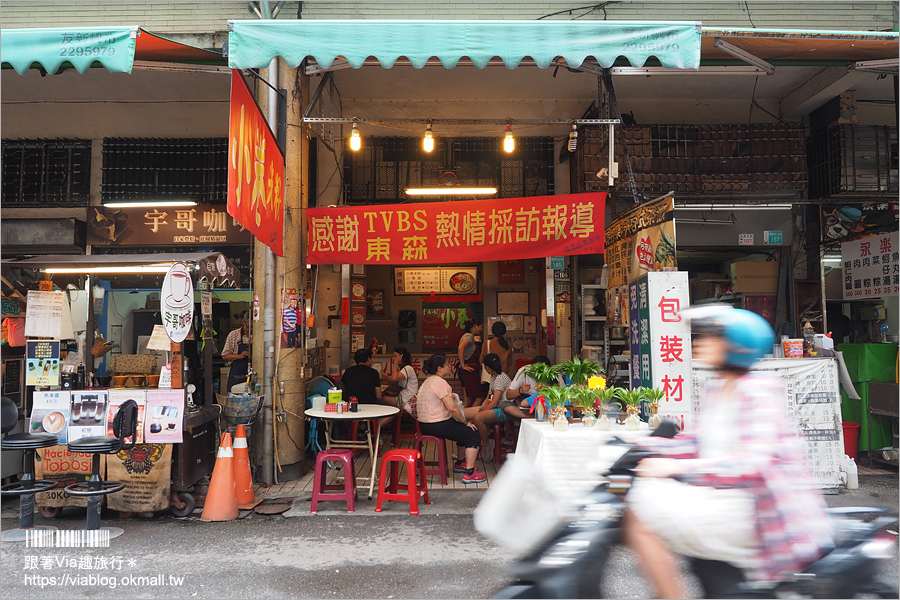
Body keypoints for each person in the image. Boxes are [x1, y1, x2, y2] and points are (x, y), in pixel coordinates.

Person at [623, 307, 834, 598]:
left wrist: (676, 468)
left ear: (737, 346)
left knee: (640, 515)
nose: (698, 343)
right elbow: (694, 444)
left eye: (710, 337)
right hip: (722, 497)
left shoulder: (757, 391)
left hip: (752, 508)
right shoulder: (717, 388)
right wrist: (639, 447)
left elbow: (752, 463)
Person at [416, 354, 486, 484]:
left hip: (424, 424)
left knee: (462, 429)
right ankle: (469, 473)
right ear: (440, 369)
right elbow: (452, 408)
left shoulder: (428, 381)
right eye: (447, 365)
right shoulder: (440, 383)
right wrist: (465, 421)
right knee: (473, 433)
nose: (450, 366)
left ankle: (460, 462)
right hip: (437, 424)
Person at [463, 352, 512, 461]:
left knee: (477, 418)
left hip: (502, 409)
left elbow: (495, 403)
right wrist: (482, 407)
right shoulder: (493, 377)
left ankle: (486, 444)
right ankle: (468, 446)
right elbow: (488, 397)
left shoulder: (500, 378)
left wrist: (482, 411)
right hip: (492, 406)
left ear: (488, 367)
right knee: (463, 413)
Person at [501, 355, 558, 421]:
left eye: (540, 370)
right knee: (504, 405)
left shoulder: (553, 375)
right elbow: (508, 395)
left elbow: (560, 392)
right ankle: (533, 417)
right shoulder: (525, 371)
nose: (537, 372)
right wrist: (520, 390)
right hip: (527, 406)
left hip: (546, 405)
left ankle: (539, 416)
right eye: (535, 369)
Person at [379, 346, 418, 415]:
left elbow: (394, 378)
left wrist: (395, 364)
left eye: (395, 356)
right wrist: (387, 378)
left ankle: (379, 423)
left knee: (378, 399)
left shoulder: (408, 368)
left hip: (407, 401)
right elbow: (394, 380)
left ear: (401, 357)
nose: (393, 358)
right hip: (404, 398)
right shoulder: (404, 369)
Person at [457, 318, 484, 408]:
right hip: (468, 371)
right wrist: (464, 365)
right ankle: (472, 419)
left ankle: (463, 420)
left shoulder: (466, 335)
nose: (481, 329)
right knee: (479, 398)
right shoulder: (469, 336)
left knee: (467, 399)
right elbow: (461, 348)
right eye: (481, 327)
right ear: (475, 326)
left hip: (464, 371)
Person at [221, 311, 250, 393]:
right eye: (248, 327)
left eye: (252, 327)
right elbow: (224, 355)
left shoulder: (258, 335)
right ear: (243, 322)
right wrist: (238, 356)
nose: (250, 330)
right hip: (236, 375)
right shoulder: (233, 335)